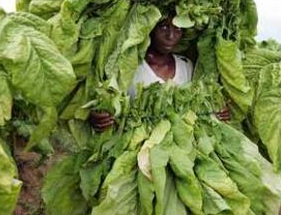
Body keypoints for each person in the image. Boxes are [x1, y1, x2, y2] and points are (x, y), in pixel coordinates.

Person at [89, 16, 230, 131]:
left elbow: (197, 106)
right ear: (150, 29)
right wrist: (99, 118)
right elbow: (108, 103)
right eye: (163, 27)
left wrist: (216, 112)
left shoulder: (187, 65)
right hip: (136, 144)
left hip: (182, 144)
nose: (170, 36)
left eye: (177, 29)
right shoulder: (129, 65)